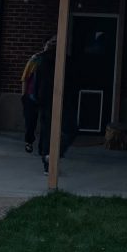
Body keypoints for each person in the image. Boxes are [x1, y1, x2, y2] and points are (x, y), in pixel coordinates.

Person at [35, 36, 76, 174]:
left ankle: (48, 162)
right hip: (61, 99)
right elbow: (72, 80)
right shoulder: (65, 61)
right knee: (70, 129)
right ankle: (54, 155)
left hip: (45, 99)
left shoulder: (41, 60)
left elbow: (37, 80)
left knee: (47, 132)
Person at [20, 37, 54, 154]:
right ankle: (29, 142)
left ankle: (42, 147)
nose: (51, 46)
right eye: (50, 43)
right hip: (32, 95)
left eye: (54, 43)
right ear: (44, 45)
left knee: (46, 123)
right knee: (30, 122)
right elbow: (25, 77)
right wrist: (24, 95)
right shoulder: (36, 59)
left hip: (47, 96)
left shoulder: (57, 61)